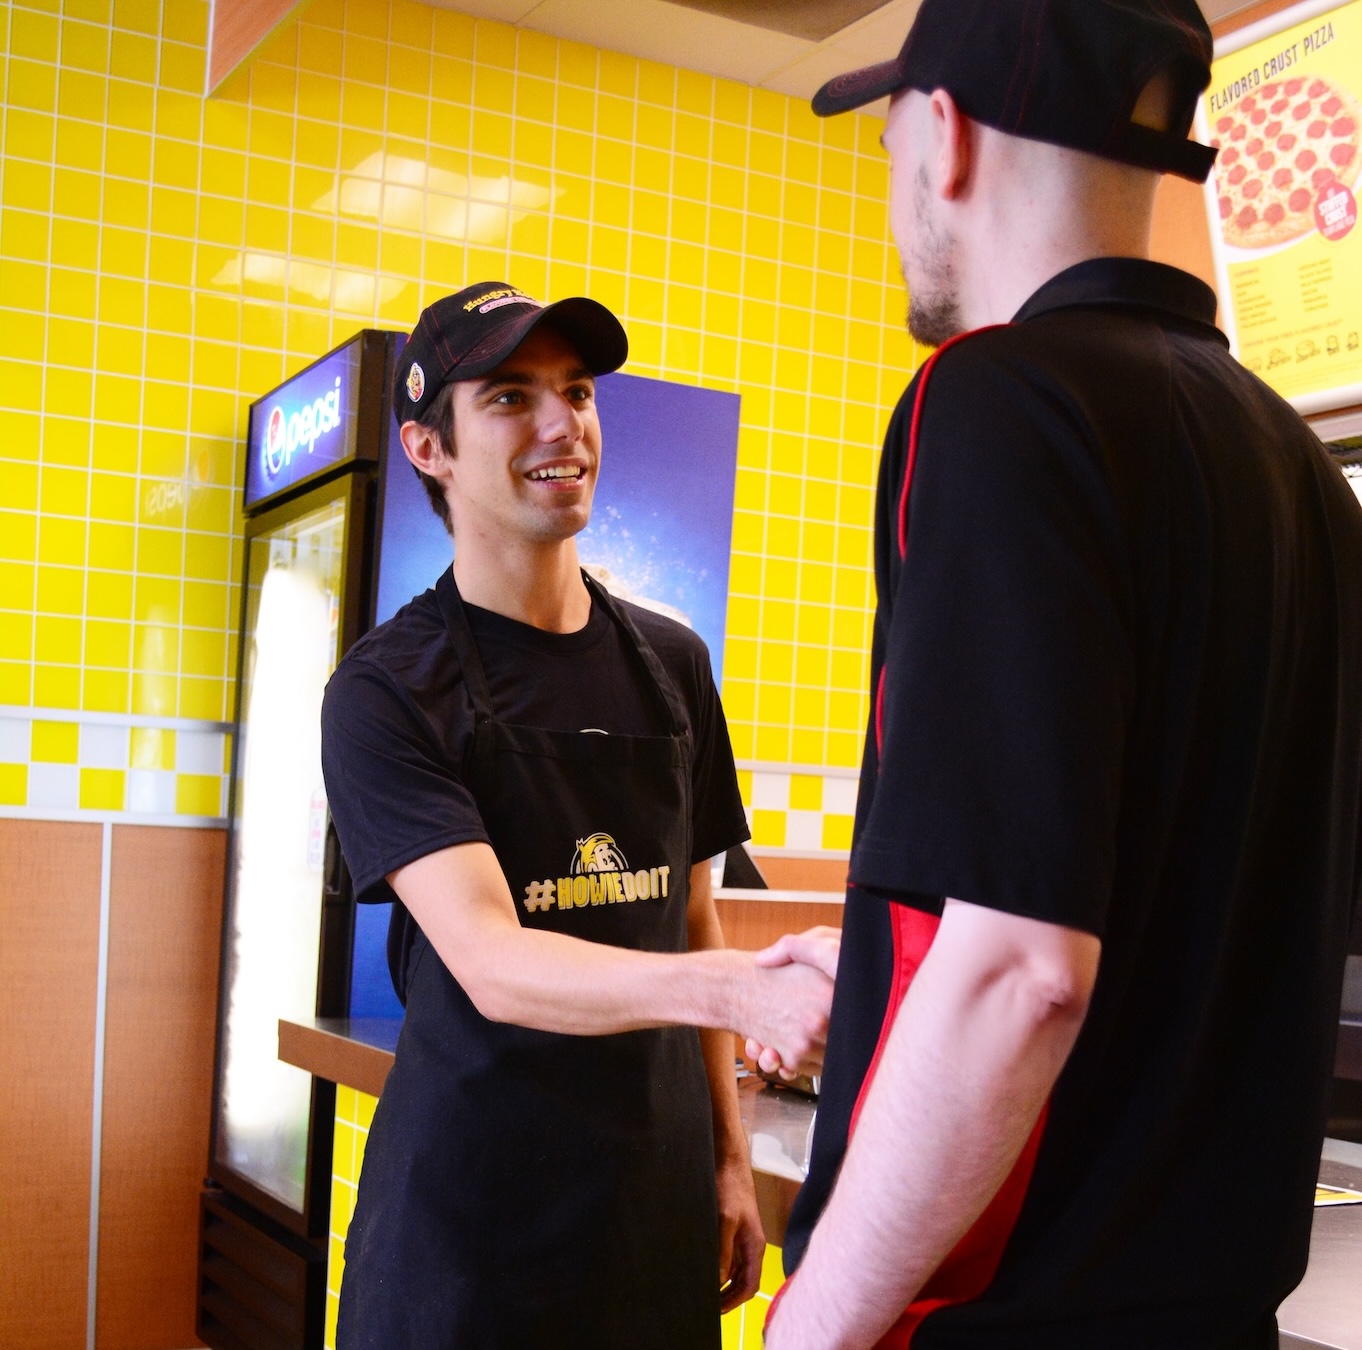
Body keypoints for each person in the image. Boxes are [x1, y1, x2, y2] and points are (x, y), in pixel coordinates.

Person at [760, 3, 1362, 1348]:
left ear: (946, 138)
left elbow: (1021, 969)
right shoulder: (1299, 471)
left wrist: (814, 1331)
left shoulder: (994, 402)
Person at [320, 282, 838, 1349]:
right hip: (471, 1228)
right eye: (511, 398)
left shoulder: (673, 666)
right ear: (431, 450)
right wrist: (740, 990)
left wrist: (727, 1160)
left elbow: (688, 917)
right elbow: (494, 961)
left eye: (578, 392)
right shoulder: (388, 689)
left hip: (650, 1208)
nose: (563, 425)